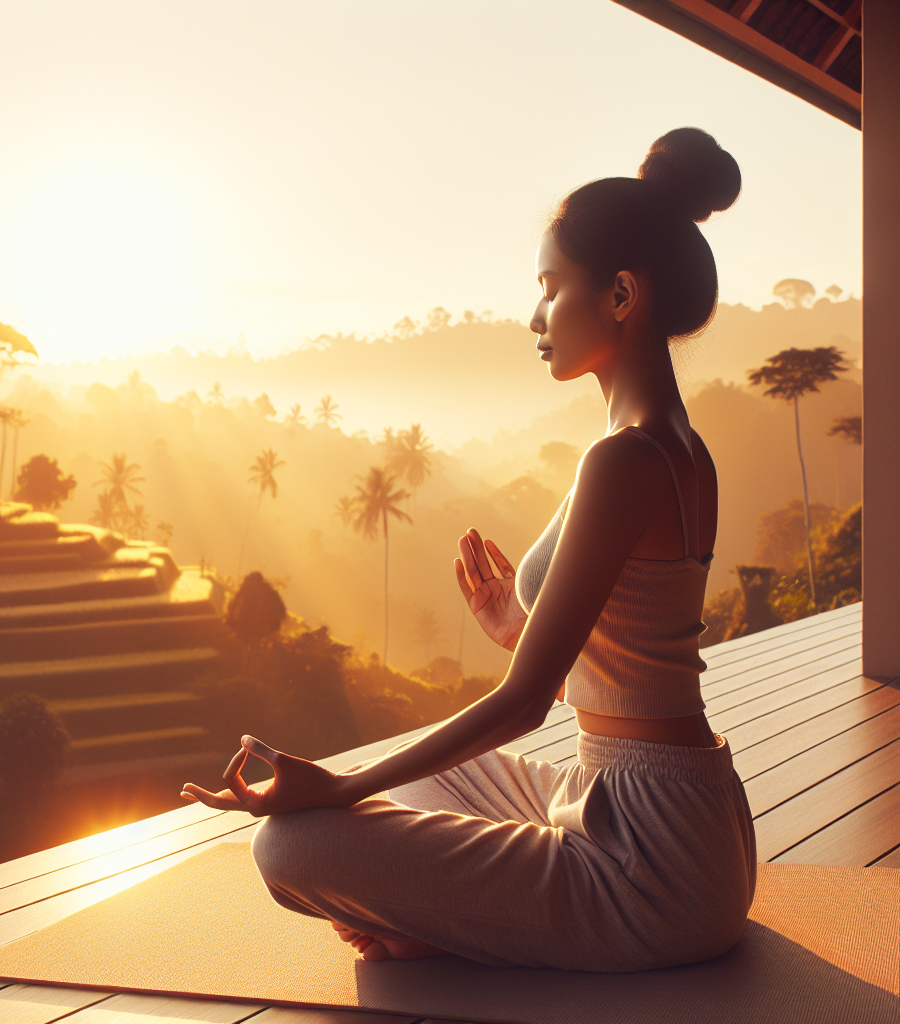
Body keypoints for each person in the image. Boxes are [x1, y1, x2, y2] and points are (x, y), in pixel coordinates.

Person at [181, 127, 757, 972]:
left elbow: (525, 704)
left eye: (552, 289)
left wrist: (338, 792)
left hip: (652, 859)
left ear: (623, 294)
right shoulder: (666, 443)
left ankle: (453, 924)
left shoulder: (625, 459)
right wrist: (517, 631)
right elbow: (632, 657)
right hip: (649, 802)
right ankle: (451, 916)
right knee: (418, 779)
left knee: (290, 849)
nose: (535, 317)